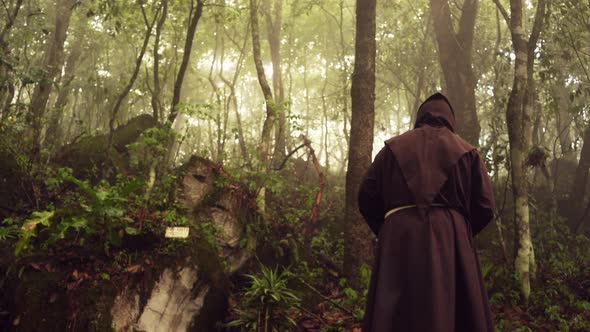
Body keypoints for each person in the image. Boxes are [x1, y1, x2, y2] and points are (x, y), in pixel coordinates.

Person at [358, 93, 495, 332]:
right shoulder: (467, 151)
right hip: (450, 239)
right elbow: (485, 205)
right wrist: (460, 233)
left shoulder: (392, 148)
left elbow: (366, 195)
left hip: (398, 239)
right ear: (450, 119)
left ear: (420, 117)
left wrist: (389, 228)